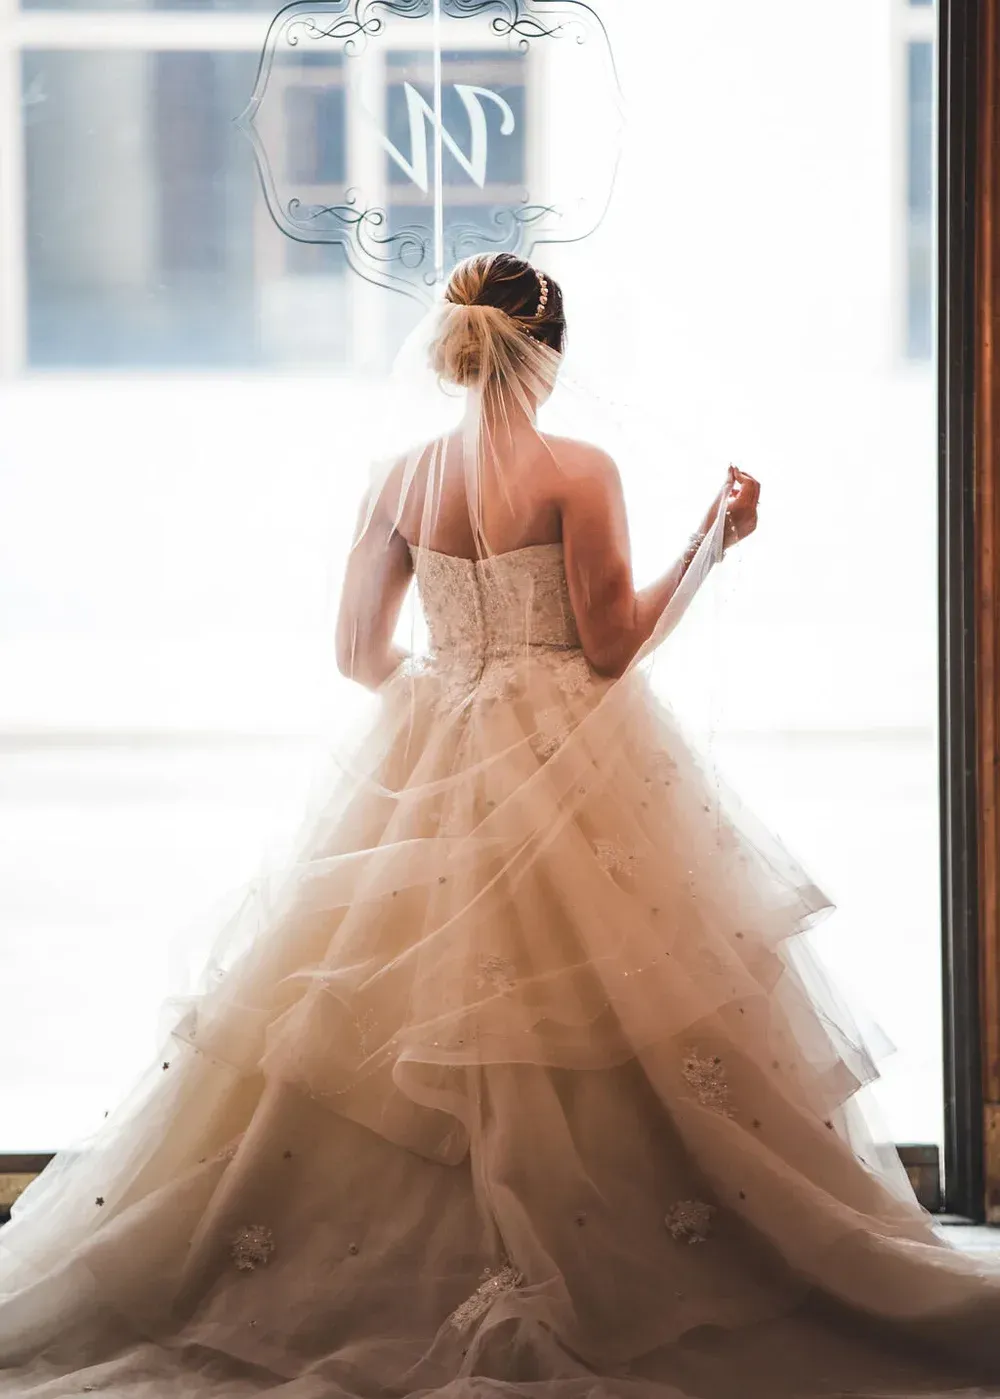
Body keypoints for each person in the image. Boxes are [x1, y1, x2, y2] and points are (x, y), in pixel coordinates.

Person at [2, 251, 1000, 1399]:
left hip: (430, 734)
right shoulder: (577, 469)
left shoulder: (398, 476)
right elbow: (612, 646)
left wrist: (445, 711)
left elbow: (356, 656)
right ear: (553, 351)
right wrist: (714, 539)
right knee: (612, 1004)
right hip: (571, 751)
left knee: (364, 1021)